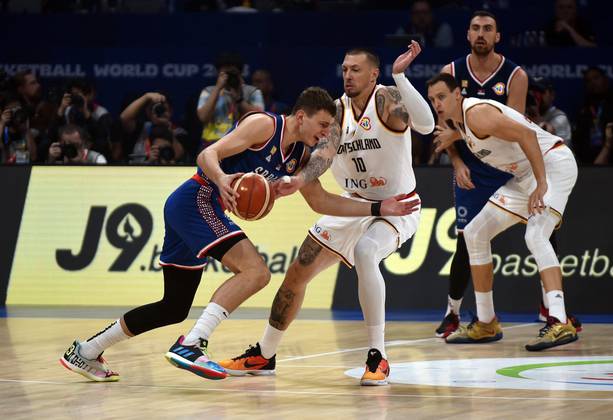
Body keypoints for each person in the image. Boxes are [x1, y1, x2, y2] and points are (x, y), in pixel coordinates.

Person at [59, 86, 417, 382]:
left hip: (197, 208)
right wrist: (222, 179)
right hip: (196, 198)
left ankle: (86, 351)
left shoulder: (297, 159)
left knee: (173, 306)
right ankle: (193, 344)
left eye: (329, 129)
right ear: (301, 115)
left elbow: (321, 201)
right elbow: (207, 154)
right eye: (322, 125)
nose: (326, 134)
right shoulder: (265, 125)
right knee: (257, 271)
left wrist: (377, 208)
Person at [218, 43, 434, 386]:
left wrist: (401, 75)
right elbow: (323, 156)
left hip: (396, 206)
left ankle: (377, 357)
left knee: (366, 252)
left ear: (374, 73)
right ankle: (265, 353)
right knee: (296, 273)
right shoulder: (336, 111)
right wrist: (298, 180)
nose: (348, 75)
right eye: (345, 69)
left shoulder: (386, 100)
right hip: (352, 204)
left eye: (356, 69)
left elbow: (426, 124)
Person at [428, 72, 578, 351]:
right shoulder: (461, 122)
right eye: (433, 99)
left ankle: (558, 321)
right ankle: (486, 322)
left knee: (536, 235)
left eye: (441, 97)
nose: (436, 103)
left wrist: (541, 183)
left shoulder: (476, 114)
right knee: (474, 232)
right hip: (524, 176)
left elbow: (526, 133)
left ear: (457, 95)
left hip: (552, 165)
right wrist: (456, 140)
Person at [433, 10, 529, 338]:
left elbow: (514, 130)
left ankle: (553, 311)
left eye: (488, 29)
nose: (481, 34)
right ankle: (453, 312)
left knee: (545, 229)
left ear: (497, 36)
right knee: (465, 240)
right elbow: (442, 123)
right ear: (468, 34)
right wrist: (457, 163)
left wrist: (460, 135)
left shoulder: (515, 75)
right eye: (475, 28)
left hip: (508, 167)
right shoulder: (452, 72)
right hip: (471, 170)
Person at [197, 52, 264, 150]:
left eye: (232, 74)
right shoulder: (208, 91)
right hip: (211, 145)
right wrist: (218, 88)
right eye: (226, 74)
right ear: (218, 73)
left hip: (243, 146)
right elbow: (203, 117)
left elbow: (260, 119)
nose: (229, 77)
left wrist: (238, 98)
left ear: (240, 73)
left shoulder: (253, 92)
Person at [527, 76, 572, 149]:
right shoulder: (524, 113)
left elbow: (550, 146)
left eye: (541, 92)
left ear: (552, 95)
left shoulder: (560, 117)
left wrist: (536, 116)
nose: (536, 96)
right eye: (533, 92)